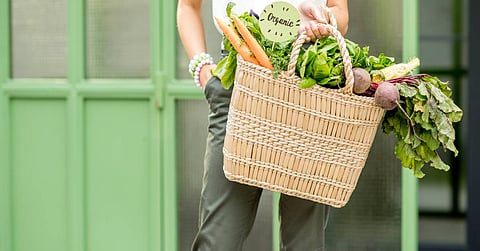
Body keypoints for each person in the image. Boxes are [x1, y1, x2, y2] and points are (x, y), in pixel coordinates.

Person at [177, 0, 349, 250]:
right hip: (240, 76)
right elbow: (188, 6)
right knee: (218, 239)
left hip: (307, 81)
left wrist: (324, 19)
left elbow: (340, 12)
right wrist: (201, 67)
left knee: (305, 242)